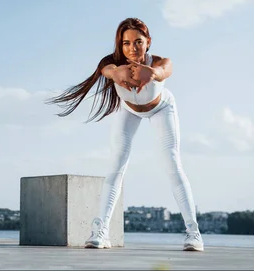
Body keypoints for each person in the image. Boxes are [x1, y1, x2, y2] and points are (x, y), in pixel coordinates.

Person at [46, 17, 204, 252]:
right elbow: (108, 70)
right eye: (126, 43)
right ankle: (101, 231)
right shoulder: (111, 63)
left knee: (172, 163)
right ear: (120, 45)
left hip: (161, 108)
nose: (132, 48)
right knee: (116, 166)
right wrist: (116, 72)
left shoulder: (159, 61)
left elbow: (165, 69)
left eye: (138, 42)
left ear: (148, 42)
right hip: (128, 110)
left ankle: (194, 233)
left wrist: (153, 73)